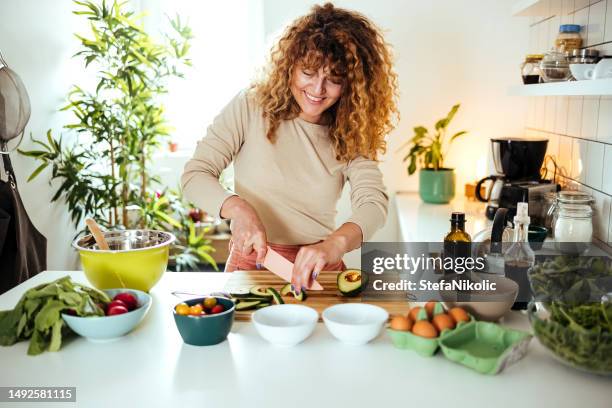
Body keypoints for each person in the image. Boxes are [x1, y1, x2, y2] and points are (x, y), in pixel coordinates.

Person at [181, 3, 398, 294]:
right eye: (308, 72)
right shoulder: (251, 106)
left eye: (334, 79)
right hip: (252, 266)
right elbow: (195, 175)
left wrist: (334, 245)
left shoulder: (352, 130)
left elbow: (373, 204)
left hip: (319, 271)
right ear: (290, 64)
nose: (318, 89)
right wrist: (238, 209)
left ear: (353, 84)